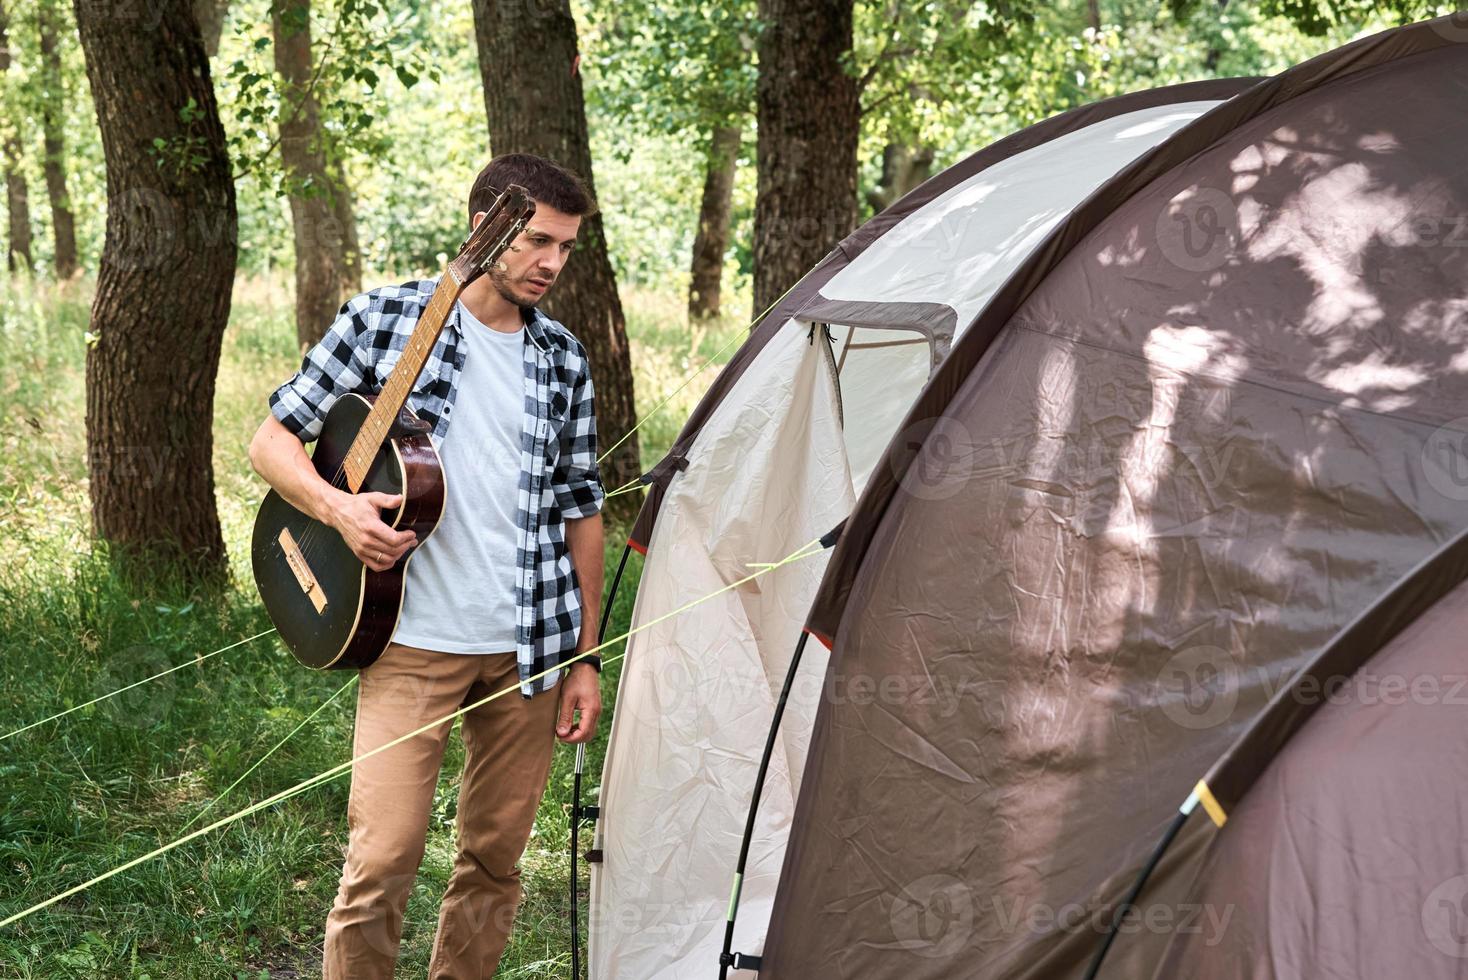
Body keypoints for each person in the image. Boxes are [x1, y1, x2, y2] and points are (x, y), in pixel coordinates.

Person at [246, 152, 606, 978]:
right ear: (485, 229)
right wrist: (337, 508)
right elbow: (272, 441)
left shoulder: (564, 360)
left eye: (567, 247)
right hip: (411, 637)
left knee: (494, 864)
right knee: (380, 864)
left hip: (529, 650)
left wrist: (583, 656)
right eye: (538, 241)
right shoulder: (387, 320)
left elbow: (582, 507)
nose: (552, 263)